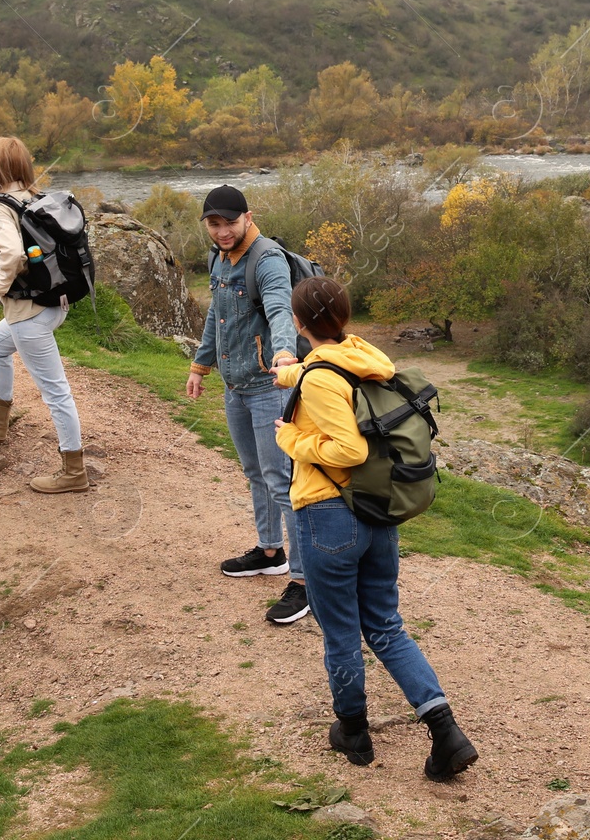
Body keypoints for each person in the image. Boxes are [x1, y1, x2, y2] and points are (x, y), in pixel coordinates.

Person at [272, 276, 477, 781]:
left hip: (327, 515)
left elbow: (349, 449)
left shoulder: (319, 379)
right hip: (376, 510)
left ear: (298, 323)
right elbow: (325, 380)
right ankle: (445, 731)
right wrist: (288, 375)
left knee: (340, 630)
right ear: (342, 318)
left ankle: (354, 732)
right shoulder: (363, 358)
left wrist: (292, 439)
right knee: (385, 625)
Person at [185, 185, 308, 625]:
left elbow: (278, 308)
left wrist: (284, 352)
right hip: (235, 386)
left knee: (284, 483)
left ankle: (303, 579)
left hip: (269, 386)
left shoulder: (268, 259)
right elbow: (215, 315)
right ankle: (270, 551)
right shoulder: (220, 258)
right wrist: (200, 366)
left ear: (248, 218)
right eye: (214, 224)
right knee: (255, 473)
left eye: (229, 223)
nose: (221, 232)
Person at [0, 137, 88, 494]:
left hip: (28, 314)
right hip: (54, 305)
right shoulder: (35, 198)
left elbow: (13, 255)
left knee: (56, 392)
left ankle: (74, 471)